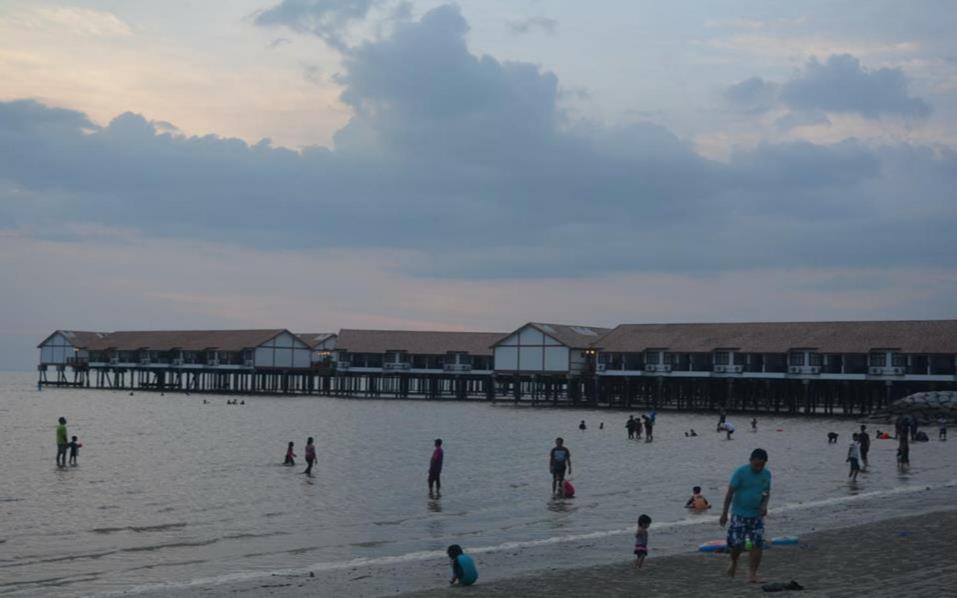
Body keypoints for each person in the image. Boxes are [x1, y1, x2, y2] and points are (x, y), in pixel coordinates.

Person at [719, 448, 771, 584]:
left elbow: (766, 492)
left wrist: (764, 505)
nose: (759, 467)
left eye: (762, 464)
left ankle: (752, 574)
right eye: (756, 464)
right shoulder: (741, 472)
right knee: (737, 545)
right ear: (751, 460)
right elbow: (730, 493)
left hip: (756, 516)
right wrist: (724, 513)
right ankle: (734, 561)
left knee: (757, 544)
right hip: (739, 515)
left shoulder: (767, 474)